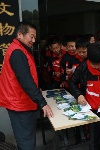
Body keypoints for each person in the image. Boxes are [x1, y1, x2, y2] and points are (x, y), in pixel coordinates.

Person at [0, 21, 54, 150]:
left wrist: (37, 89)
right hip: (19, 104)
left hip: (21, 101)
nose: (34, 40)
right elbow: (25, 80)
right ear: (20, 34)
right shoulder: (17, 52)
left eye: (35, 37)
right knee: (26, 142)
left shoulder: (20, 49)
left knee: (27, 138)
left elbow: (28, 77)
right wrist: (42, 103)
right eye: (31, 36)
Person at [68, 42, 100, 150]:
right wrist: (79, 95)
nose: (98, 67)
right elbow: (72, 82)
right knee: (94, 140)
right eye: (94, 64)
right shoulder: (83, 68)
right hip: (90, 111)